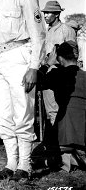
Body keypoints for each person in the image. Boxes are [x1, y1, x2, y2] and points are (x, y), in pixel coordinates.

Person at [0, 0, 46, 181]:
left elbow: (39, 34)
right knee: (5, 114)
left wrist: (33, 67)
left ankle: (25, 165)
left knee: (23, 112)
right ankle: (11, 163)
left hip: (19, 57)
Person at [37, 41, 86, 172]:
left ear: (59, 58)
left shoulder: (57, 74)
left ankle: (68, 156)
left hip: (65, 133)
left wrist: (48, 64)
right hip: (83, 133)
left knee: (38, 155)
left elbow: (34, 83)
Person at [41, 1, 76, 125]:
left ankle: (63, 140)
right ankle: (55, 140)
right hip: (48, 75)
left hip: (62, 75)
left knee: (62, 109)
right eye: (44, 13)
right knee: (50, 110)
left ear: (56, 14)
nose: (45, 15)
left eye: (48, 13)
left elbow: (73, 55)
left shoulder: (66, 30)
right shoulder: (46, 32)